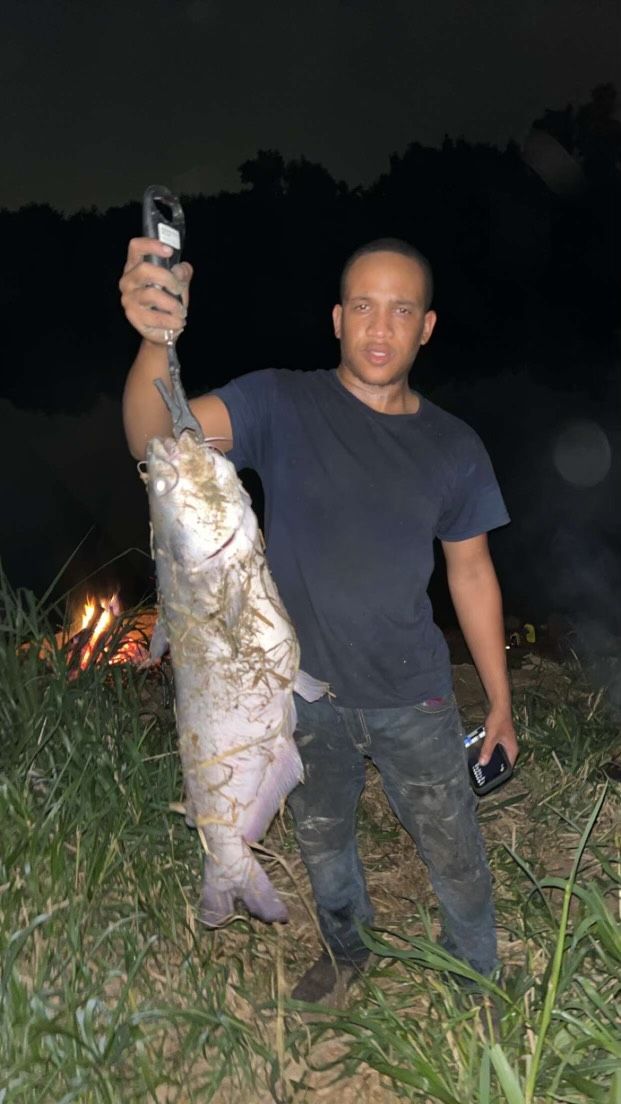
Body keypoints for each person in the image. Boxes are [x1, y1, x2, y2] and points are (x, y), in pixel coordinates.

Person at [120, 235, 518, 1006]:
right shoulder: (280, 403)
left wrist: (498, 699)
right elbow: (156, 440)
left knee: (452, 842)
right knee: (323, 840)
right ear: (337, 318)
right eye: (362, 307)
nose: (379, 327)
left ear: (426, 327)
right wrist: (152, 342)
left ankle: (476, 968)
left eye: (400, 310)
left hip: (414, 692)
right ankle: (346, 949)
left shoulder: (453, 445)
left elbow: (470, 572)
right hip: (296, 694)